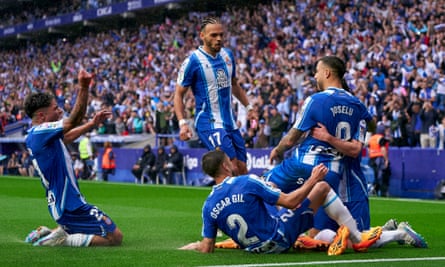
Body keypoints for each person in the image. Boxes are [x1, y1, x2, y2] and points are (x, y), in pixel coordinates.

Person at [179, 150, 382, 255]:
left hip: (255, 249)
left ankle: (325, 238)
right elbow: (291, 202)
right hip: (278, 238)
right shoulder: (246, 181)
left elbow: (207, 247)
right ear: (225, 164)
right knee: (321, 189)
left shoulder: (208, 205)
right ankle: (357, 239)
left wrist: (196, 246)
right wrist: (312, 179)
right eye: (229, 161)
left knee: (273, 198)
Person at [265, 55, 372, 235]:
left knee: (265, 186)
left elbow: (291, 138)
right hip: (332, 172)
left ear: (327, 73)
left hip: (303, 164)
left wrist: (278, 149)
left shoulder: (315, 100)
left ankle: (270, 229)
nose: (315, 76)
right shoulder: (358, 105)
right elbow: (358, 144)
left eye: (316, 72)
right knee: (316, 234)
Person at [23, 69, 123, 247]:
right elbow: (73, 121)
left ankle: (51, 232)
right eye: (56, 109)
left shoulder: (41, 136)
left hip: (65, 204)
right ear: (41, 116)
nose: (60, 111)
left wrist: (92, 124)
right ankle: (60, 239)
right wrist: (84, 87)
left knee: (97, 231)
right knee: (114, 237)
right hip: (69, 205)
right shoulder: (39, 133)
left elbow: (67, 137)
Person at [173, 16, 251, 175]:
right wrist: (182, 123)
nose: (219, 39)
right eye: (214, 35)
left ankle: (242, 200)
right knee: (231, 166)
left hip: (230, 121)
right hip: (208, 121)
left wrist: (249, 107)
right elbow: (178, 95)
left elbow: (234, 84)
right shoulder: (193, 61)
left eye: (221, 35)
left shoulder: (228, 55)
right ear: (202, 36)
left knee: (242, 168)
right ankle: (221, 199)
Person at [368, 128, 391, 197]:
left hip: (372, 158)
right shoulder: (381, 138)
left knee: (376, 175)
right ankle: (382, 192)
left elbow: (368, 149)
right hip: (379, 158)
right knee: (381, 176)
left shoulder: (371, 138)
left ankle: (374, 191)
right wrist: (386, 159)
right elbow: (383, 149)